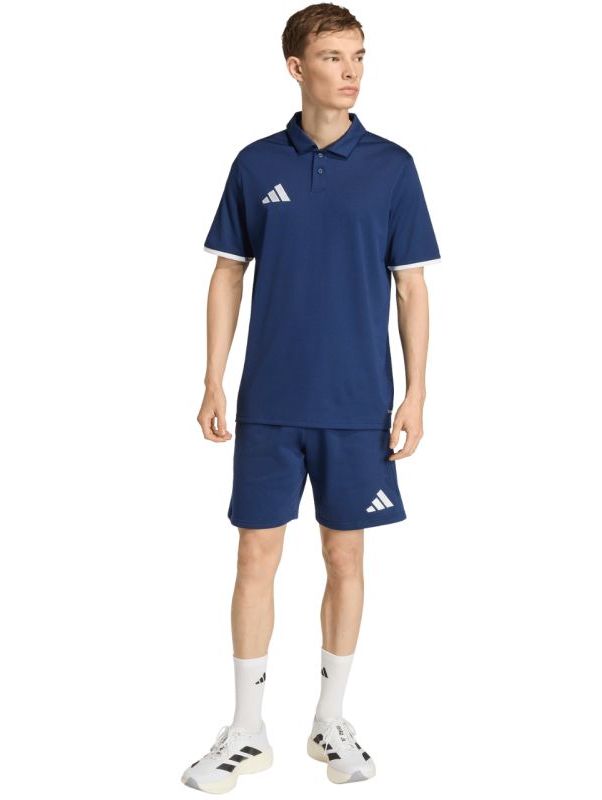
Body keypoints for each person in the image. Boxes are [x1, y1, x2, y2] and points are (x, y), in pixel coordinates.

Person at [182, 3, 440, 792]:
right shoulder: (256, 164)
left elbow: (411, 288)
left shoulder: (392, 167)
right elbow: (228, 273)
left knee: (345, 555)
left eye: (358, 55)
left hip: (358, 405)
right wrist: (213, 377)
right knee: (254, 555)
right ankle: (247, 729)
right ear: (297, 68)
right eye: (333, 57)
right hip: (269, 401)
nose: (351, 71)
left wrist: (416, 394)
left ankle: (330, 721)